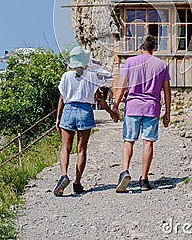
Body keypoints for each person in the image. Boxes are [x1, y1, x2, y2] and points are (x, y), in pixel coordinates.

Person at [54, 46, 118, 196]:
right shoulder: (92, 77)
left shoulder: (66, 76)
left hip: (68, 110)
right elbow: (100, 99)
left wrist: (58, 118)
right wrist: (111, 113)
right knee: (81, 149)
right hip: (85, 111)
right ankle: (77, 183)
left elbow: (61, 99)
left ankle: (63, 175)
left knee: (65, 147)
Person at [112, 34, 171, 192]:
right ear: (154, 48)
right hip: (152, 107)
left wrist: (116, 105)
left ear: (141, 47)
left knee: (128, 140)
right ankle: (144, 179)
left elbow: (122, 86)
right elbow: (167, 91)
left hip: (133, 106)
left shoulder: (130, 62)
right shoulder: (162, 65)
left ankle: (125, 171)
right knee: (148, 142)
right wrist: (167, 113)